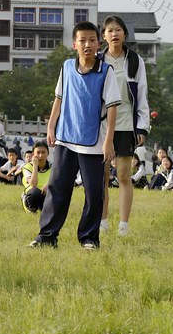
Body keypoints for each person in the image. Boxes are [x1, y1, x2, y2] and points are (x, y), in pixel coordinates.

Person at [28, 21, 120, 249]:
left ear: (99, 44)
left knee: (94, 192)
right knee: (57, 188)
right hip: (65, 139)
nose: (87, 44)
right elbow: (59, 98)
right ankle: (47, 235)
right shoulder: (67, 67)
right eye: (82, 40)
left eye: (91, 40)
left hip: (94, 143)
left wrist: (109, 142)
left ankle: (89, 237)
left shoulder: (106, 72)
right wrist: (51, 126)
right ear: (74, 44)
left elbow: (112, 108)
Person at [98, 15, 149, 237]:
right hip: (101, 126)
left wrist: (142, 126)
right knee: (102, 176)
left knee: (124, 175)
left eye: (118, 30)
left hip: (127, 124)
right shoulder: (98, 61)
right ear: (104, 36)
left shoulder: (135, 61)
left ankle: (123, 225)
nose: (114, 34)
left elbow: (142, 94)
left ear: (124, 35)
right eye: (110, 30)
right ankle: (102, 221)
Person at [21, 141, 52, 213]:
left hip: (47, 194)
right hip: (32, 195)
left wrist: (48, 184)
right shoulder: (27, 167)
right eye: (38, 153)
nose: (40, 155)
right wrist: (35, 165)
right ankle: (31, 210)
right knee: (35, 191)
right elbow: (33, 184)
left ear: (48, 153)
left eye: (43, 152)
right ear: (33, 154)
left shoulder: (53, 167)